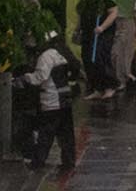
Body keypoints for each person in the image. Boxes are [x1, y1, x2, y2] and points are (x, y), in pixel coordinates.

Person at [25, 31, 78, 172]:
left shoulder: (45, 56)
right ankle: (69, 161)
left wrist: (25, 78)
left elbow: (40, 77)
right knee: (66, 134)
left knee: (46, 134)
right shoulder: (61, 53)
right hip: (65, 99)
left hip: (51, 100)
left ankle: (37, 162)